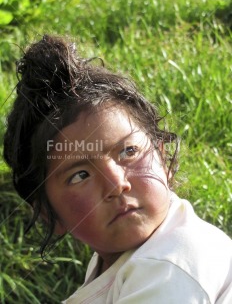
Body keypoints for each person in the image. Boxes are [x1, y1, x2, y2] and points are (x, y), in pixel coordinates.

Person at [3, 34, 232, 304]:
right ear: (47, 212)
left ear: (162, 155)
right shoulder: (121, 257)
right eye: (81, 175)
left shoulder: (169, 269)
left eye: (128, 151)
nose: (116, 184)